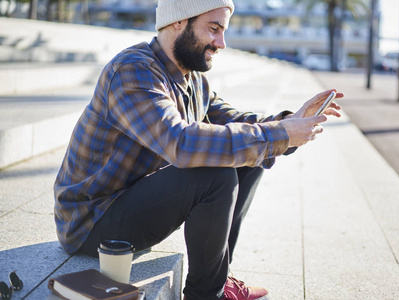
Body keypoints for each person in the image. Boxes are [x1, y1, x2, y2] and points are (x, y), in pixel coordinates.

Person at [54, 0, 343, 299]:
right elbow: (179, 143)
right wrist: (278, 134)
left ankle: (219, 279)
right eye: (214, 29)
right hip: (90, 222)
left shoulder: (192, 80)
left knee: (252, 154)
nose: (221, 43)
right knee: (216, 175)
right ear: (179, 21)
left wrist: (289, 122)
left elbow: (238, 122)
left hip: (129, 203)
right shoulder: (132, 71)